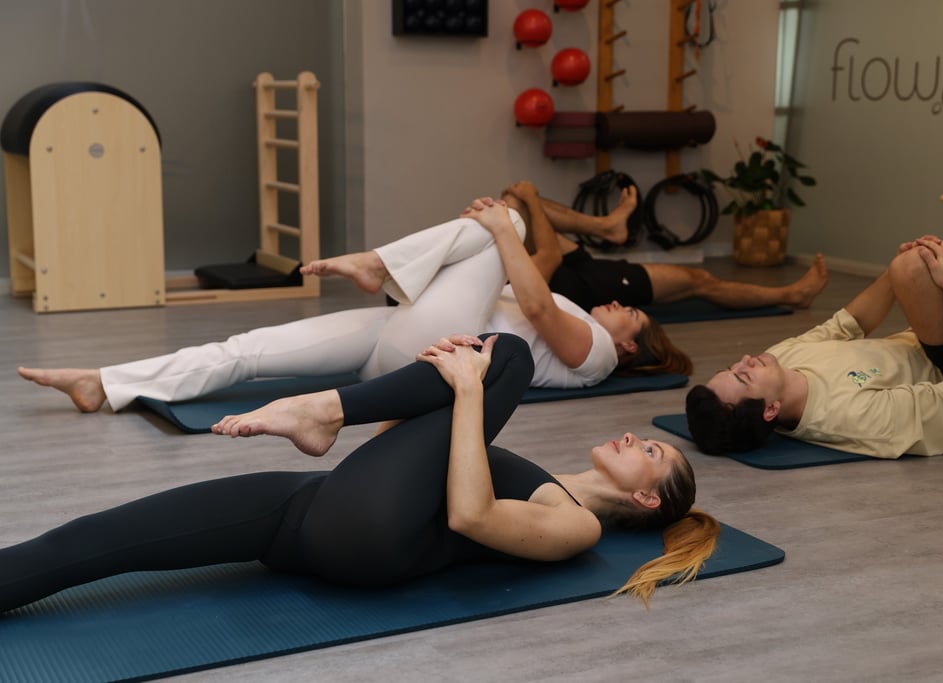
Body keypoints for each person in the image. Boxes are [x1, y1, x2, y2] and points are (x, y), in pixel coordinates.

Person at [0, 333, 719, 613]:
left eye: (653, 453)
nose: (637, 437)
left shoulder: (578, 524)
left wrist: (470, 392)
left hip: (373, 543)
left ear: (644, 497)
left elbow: (469, 515)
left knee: (509, 359)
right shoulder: (536, 471)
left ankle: (320, 409)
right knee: (101, 538)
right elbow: (389, 449)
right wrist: (445, 386)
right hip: (315, 505)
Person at [17, 198, 690, 414]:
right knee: (249, 350)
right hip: (402, 334)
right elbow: (517, 288)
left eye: (631, 313)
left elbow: (538, 312)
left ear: (632, 343)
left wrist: (497, 229)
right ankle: (105, 383)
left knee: (508, 219)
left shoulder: (598, 355)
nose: (619, 305)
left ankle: (376, 263)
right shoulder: (580, 310)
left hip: (437, 355)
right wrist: (477, 241)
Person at [685, 235, 943, 458]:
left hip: (926, 343)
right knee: (918, 268)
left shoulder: (779, 361)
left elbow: (851, 322)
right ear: (770, 410)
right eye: (743, 377)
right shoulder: (847, 416)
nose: (745, 360)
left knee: (911, 263)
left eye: (732, 367)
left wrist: (893, 273)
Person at [500, 180, 829, 313]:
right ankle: (790, 295)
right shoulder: (506, 282)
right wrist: (532, 196)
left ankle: (608, 226)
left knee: (514, 200)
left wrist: (525, 199)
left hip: (577, 271)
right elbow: (550, 256)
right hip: (586, 287)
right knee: (699, 281)